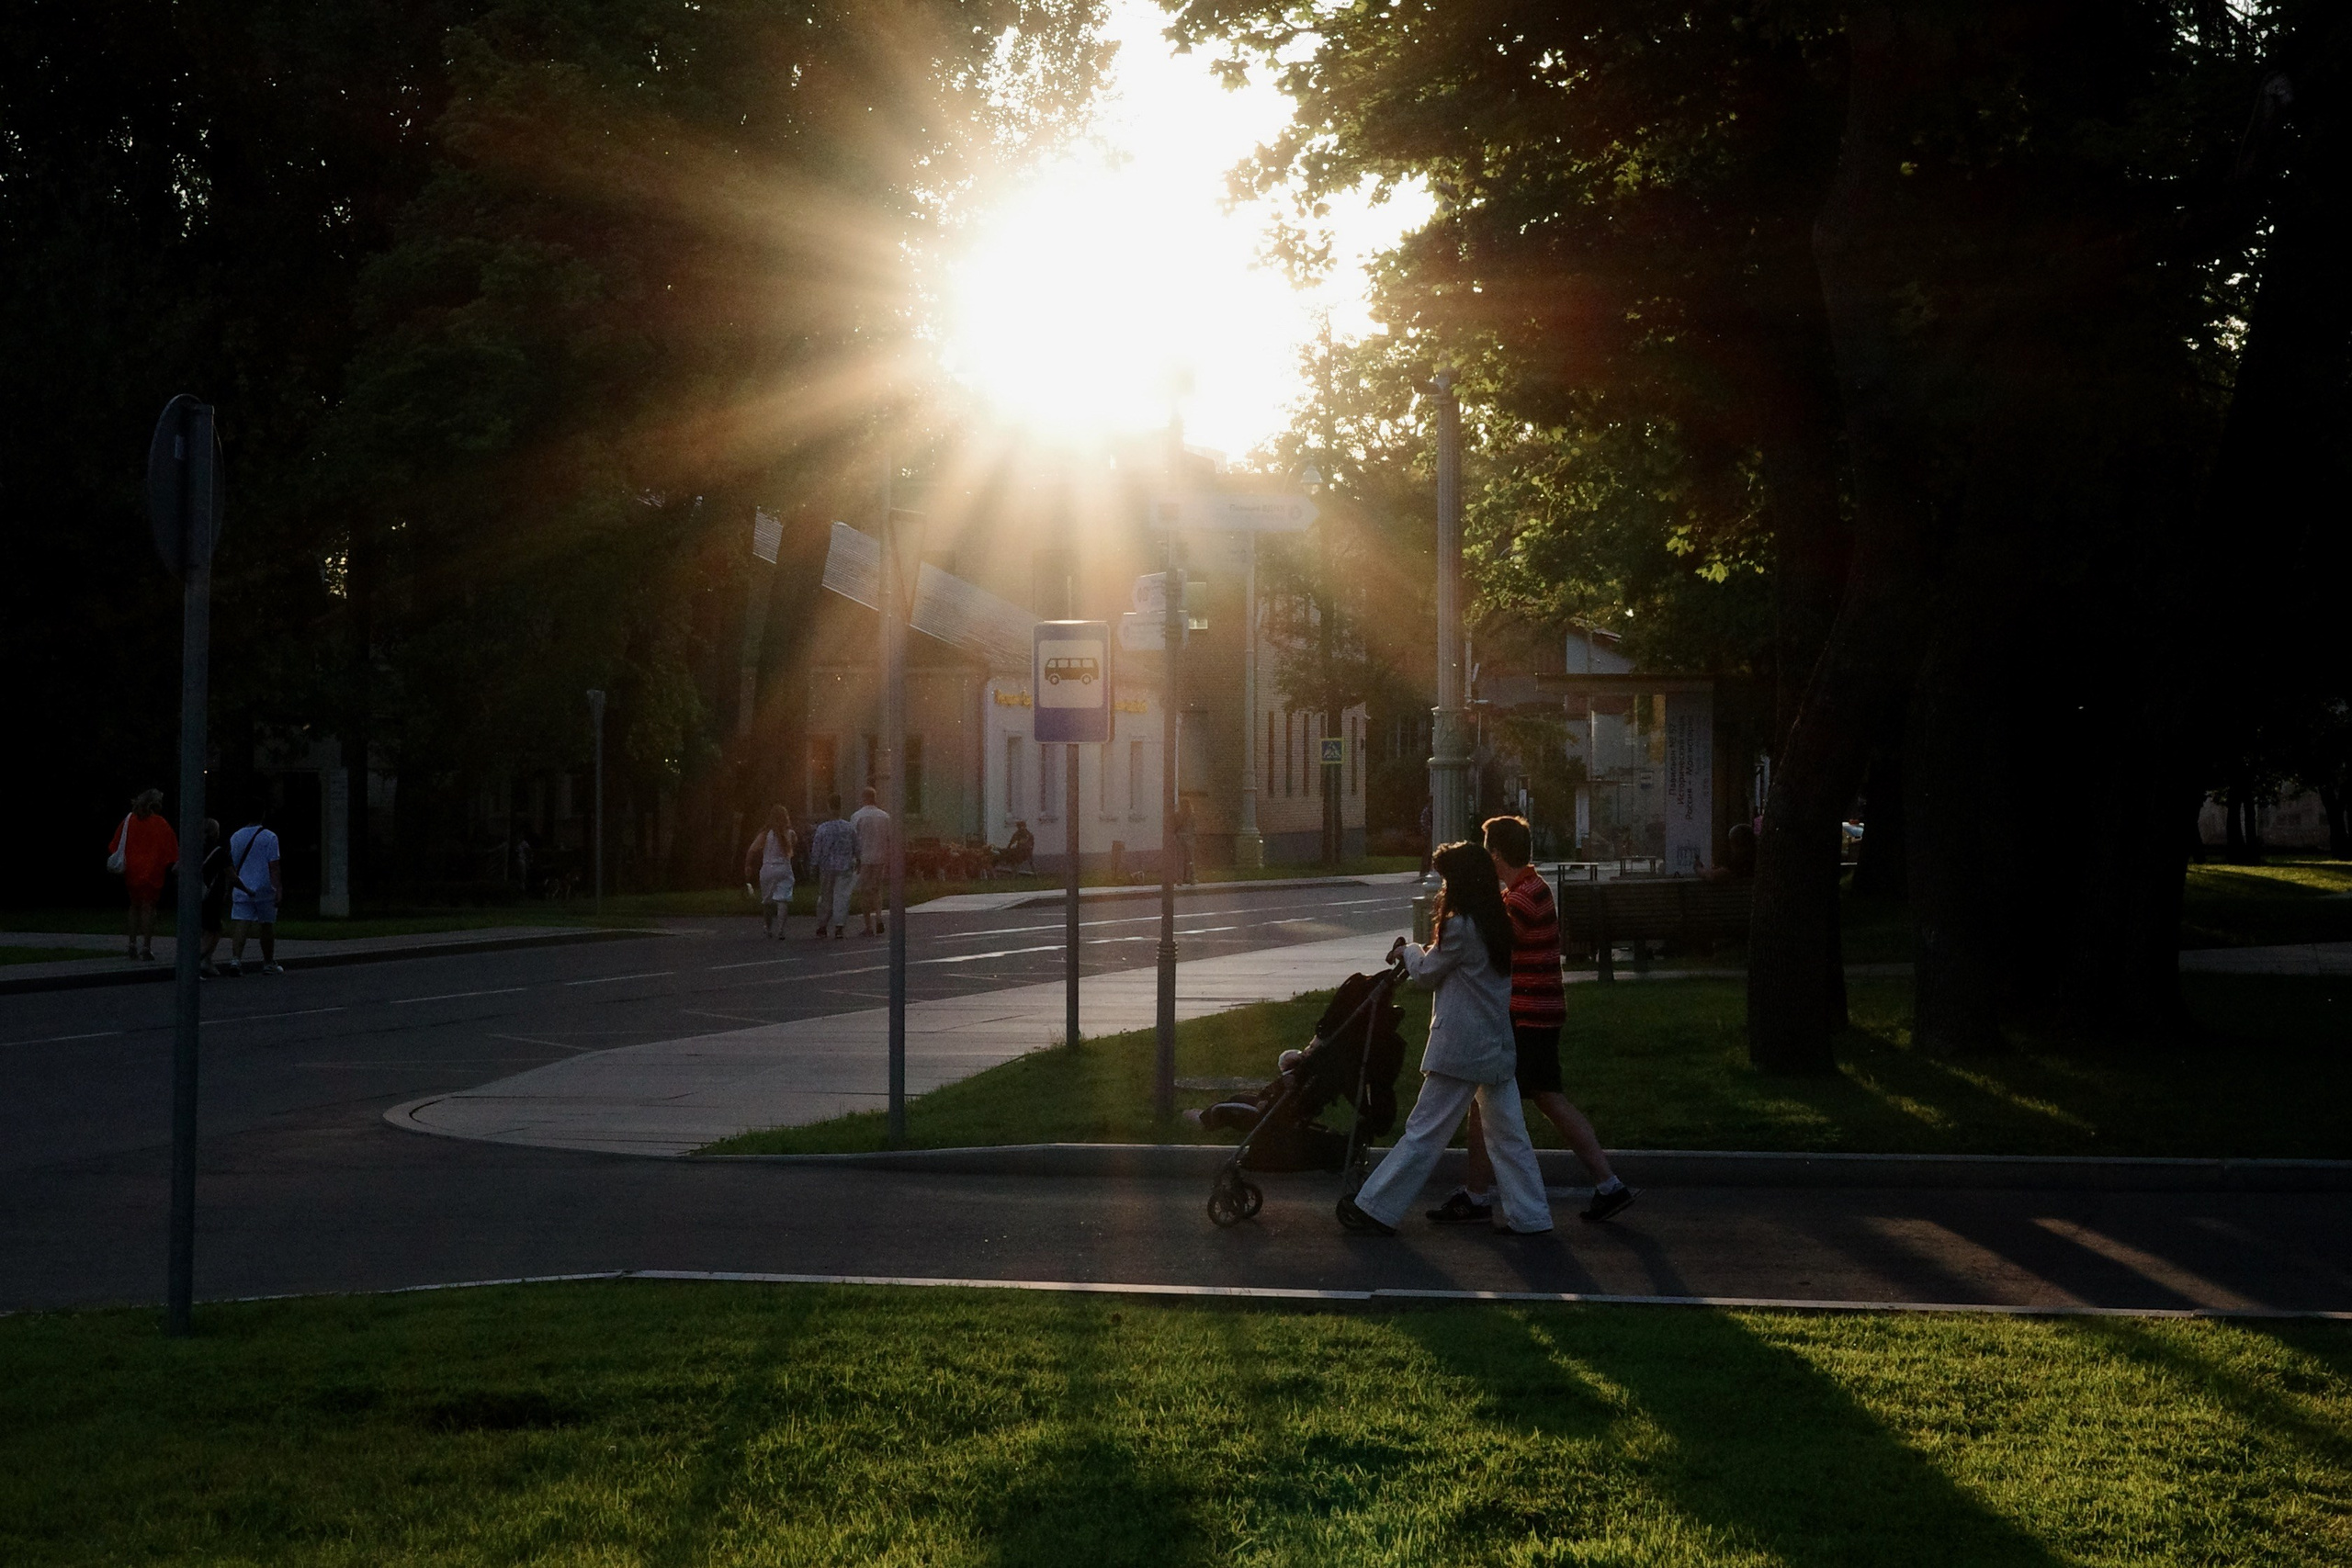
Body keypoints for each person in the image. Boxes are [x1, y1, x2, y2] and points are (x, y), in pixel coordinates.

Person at [1338, 840, 1552, 1236]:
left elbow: (1426, 973)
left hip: (1459, 1048)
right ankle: (1532, 1215)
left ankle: (1375, 1207)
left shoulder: (1459, 926)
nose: (1442, 886)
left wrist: (1408, 951)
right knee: (1509, 1137)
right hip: (1496, 1043)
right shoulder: (1496, 922)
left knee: (1424, 1132)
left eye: (1446, 878)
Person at [1430, 816, 1635, 1226]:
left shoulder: (1520, 900)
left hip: (1527, 1017)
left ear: (1496, 855)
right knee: (1539, 1099)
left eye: (1487, 850)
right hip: (1537, 1013)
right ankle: (1606, 1184)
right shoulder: (1531, 889)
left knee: (1504, 1104)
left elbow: (1488, 943)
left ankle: (1478, 1195)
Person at [106, 788, 178, 962]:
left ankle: (132, 944)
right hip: (152, 870)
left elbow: (115, 845)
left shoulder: (129, 821)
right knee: (149, 907)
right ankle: (146, 946)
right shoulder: (160, 823)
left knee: (134, 906)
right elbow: (171, 849)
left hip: (132, 869)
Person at [225, 807, 284, 976]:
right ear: (262, 815)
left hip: (242, 884)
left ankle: (236, 959)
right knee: (266, 924)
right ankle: (268, 962)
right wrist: (278, 888)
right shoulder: (270, 837)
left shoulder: (236, 836)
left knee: (241, 922)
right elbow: (274, 866)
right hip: (264, 887)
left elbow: (232, 863)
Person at [743, 806, 797, 939]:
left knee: (767, 902)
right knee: (783, 899)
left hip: (768, 869)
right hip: (784, 868)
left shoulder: (765, 834)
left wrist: (748, 865)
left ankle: (768, 928)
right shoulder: (790, 833)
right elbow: (793, 848)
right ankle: (781, 930)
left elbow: (752, 850)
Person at [808, 795, 856, 939]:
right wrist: (857, 858)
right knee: (842, 895)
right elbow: (856, 845)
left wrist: (813, 865)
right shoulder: (849, 827)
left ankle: (822, 925)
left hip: (827, 866)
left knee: (826, 895)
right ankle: (839, 926)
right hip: (845, 865)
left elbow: (817, 849)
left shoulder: (822, 829)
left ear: (829, 807)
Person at [849, 785, 891, 935]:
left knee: (864, 891)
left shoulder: (857, 816)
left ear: (864, 798)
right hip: (880, 857)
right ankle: (879, 917)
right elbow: (889, 838)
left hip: (864, 858)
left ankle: (868, 926)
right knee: (876, 889)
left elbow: (853, 839)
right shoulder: (885, 817)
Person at [198, 818, 232, 977]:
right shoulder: (219, 852)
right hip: (212, 896)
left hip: (197, 896)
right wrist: (247, 890)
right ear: (216, 833)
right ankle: (195, 961)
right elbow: (231, 875)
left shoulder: (196, 849)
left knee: (212, 929)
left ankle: (207, 960)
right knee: (213, 930)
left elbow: (177, 868)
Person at [1172, 796, 1197, 885]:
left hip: (1179, 838)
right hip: (1190, 839)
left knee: (1180, 859)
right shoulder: (1192, 815)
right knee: (1190, 860)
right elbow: (1194, 828)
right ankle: (1192, 878)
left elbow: (1174, 826)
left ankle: (1179, 879)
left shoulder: (1177, 814)